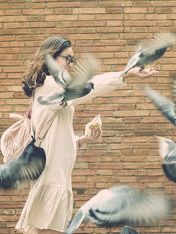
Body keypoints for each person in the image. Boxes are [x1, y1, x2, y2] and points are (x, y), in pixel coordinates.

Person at [16, 36, 156, 234]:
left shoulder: (53, 88)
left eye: (73, 60)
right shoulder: (49, 85)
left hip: (55, 174)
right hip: (52, 177)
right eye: (68, 59)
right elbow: (89, 87)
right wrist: (125, 74)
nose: (71, 65)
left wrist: (83, 139)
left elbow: (55, 136)